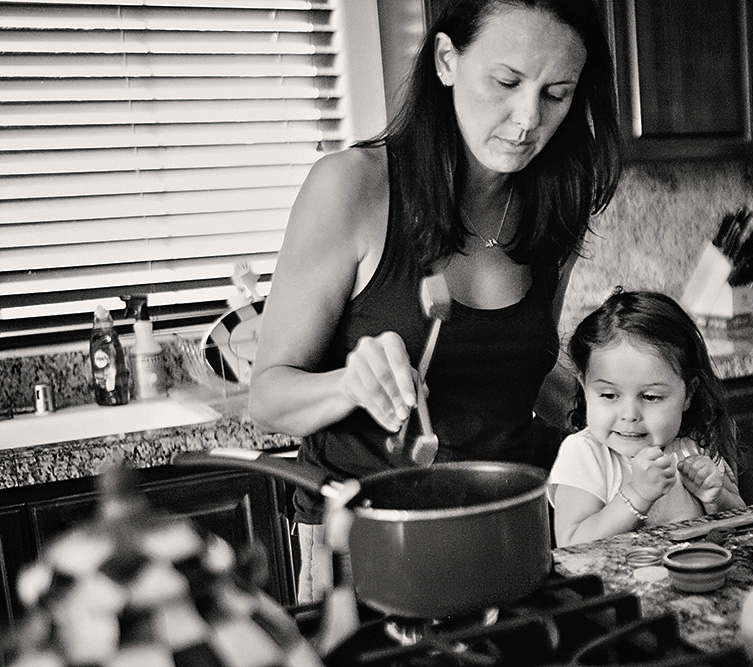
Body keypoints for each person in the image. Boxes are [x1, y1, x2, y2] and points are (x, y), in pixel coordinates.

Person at [248, 0, 622, 601]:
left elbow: (527, 379)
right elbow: (267, 399)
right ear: (447, 60)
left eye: (557, 93)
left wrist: (618, 422)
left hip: (511, 525)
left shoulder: (558, 205)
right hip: (366, 541)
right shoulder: (353, 188)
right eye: (506, 81)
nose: (528, 118)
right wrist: (348, 384)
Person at [548, 289, 746, 547]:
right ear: (585, 388)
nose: (630, 415)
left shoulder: (692, 447)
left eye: (651, 397)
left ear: (688, 393)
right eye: (609, 395)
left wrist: (716, 498)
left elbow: (743, 524)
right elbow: (572, 543)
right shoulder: (585, 455)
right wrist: (637, 494)